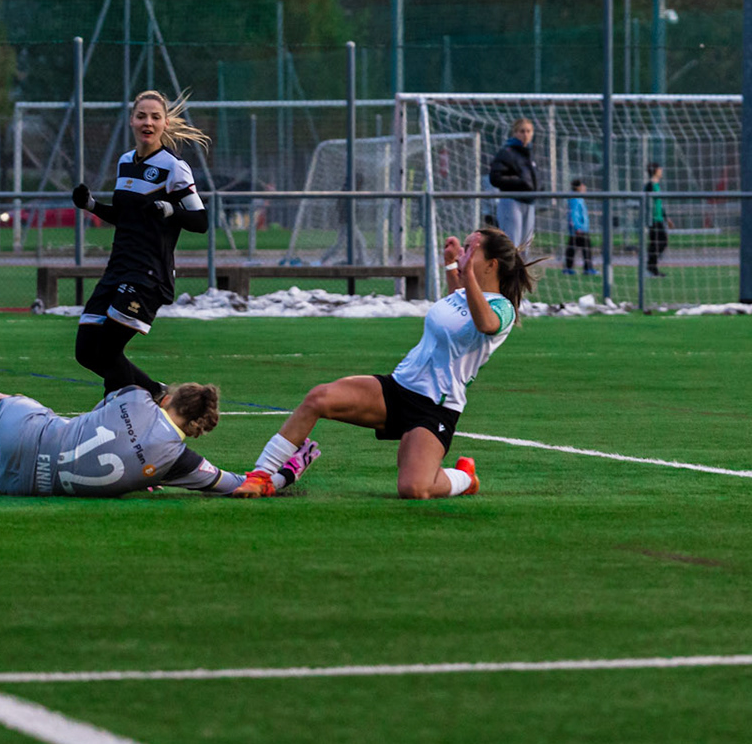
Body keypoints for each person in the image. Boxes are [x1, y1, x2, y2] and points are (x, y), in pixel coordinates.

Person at [252, 226, 536, 500]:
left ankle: (465, 478)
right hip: (397, 389)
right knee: (318, 398)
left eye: (471, 250)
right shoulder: (466, 293)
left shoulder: (502, 308)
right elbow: (458, 304)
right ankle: (261, 476)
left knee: (414, 489)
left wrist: (464, 274)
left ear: (491, 265)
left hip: (434, 409)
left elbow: (485, 323)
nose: (464, 252)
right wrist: (451, 265)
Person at [0, 379, 318, 499]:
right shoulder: (181, 462)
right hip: (22, 485)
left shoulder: (137, 395)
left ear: (172, 398)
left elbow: (109, 409)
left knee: (6, 406)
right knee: (44, 438)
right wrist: (287, 473)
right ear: (197, 428)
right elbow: (241, 486)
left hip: (26, 436)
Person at [69, 90, 210, 398]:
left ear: (165, 123)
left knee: (106, 351)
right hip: (118, 268)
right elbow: (125, 217)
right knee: (86, 351)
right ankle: (158, 394)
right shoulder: (125, 162)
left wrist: (170, 209)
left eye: (155, 117)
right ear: (131, 120)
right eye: (142, 115)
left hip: (149, 274)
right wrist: (91, 205)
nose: (148, 122)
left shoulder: (174, 167)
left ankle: (119, 414)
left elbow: (201, 221)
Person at [488, 118, 540, 247]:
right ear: (515, 133)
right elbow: (495, 178)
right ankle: (509, 268)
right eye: (522, 131)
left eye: (528, 131)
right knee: (512, 243)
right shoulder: (507, 152)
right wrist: (519, 182)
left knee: (525, 245)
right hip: (512, 201)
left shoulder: (529, 153)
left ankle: (522, 268)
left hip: (529, 201)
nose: (525, 135)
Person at [562, 178, 597, 277]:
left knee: (572, 248)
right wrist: (578, 228)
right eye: (583, 185)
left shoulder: (578, 198)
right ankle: (587, 268)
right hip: (579, 229)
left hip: (580, 228)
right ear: (578, 187)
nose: (585, 187)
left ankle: (568, 268)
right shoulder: (575, 199)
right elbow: (574, 215)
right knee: (586, 248)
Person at [644, 163, 669, 277]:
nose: (661, 170)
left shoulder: (657, 185)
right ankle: (650, 268)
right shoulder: (649, 185)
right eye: (660, 169)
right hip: (652, 220)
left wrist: (666, 217)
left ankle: (651, 267)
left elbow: (659, 203)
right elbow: (646, 203)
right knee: (658, 242)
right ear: (655, 171)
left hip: (658, 219)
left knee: (660, 243)